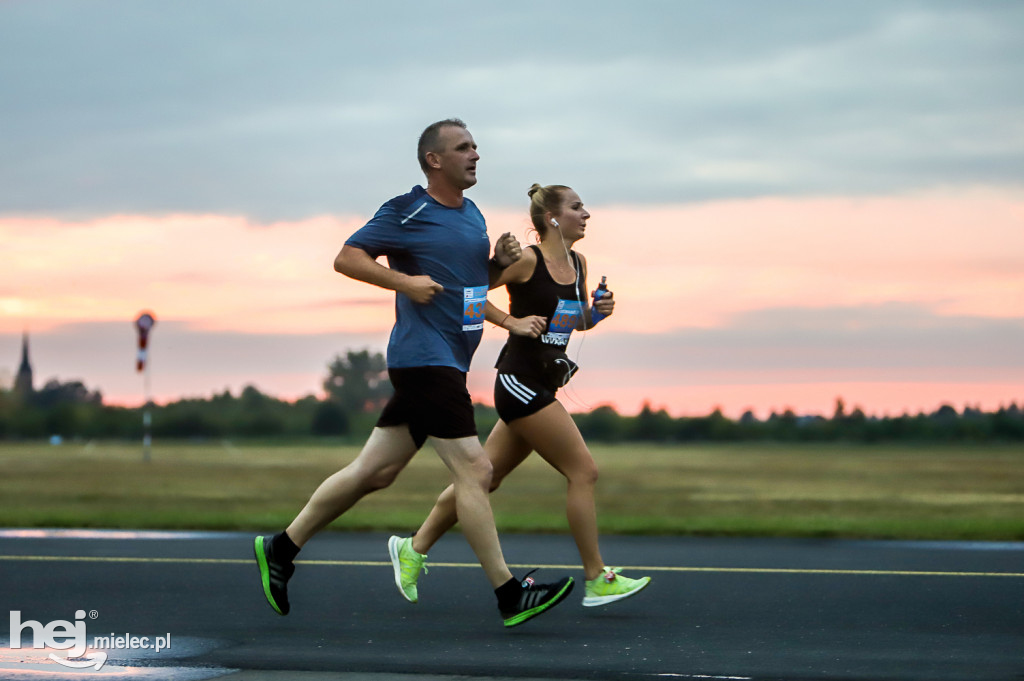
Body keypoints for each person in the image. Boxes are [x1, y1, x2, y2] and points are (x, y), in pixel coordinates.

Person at [254, 120, 574, 628]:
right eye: (463, 147)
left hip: (450, 357)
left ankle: (281, 547)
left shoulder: (473, 217)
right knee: (476, 470)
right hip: (423, 357)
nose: (475, 154)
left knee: (375, 473)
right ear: (434, 160)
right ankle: (510, 593)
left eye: (475, 146)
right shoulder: (407, 209)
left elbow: (468, 295)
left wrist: (495, 267)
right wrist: (404, 281)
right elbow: (347, 258)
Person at [388, 183, 650, 609]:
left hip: (544, 382)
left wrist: (594, 314)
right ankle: (597, 577)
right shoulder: (528, 260)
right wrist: (511, 321)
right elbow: (469, 301)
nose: (586, 214)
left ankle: (412, 549)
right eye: (577, 207)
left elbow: (570, 324)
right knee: (583, 472)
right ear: (551, 218)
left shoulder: (579, 265)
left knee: (484, 478)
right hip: (518, 383)